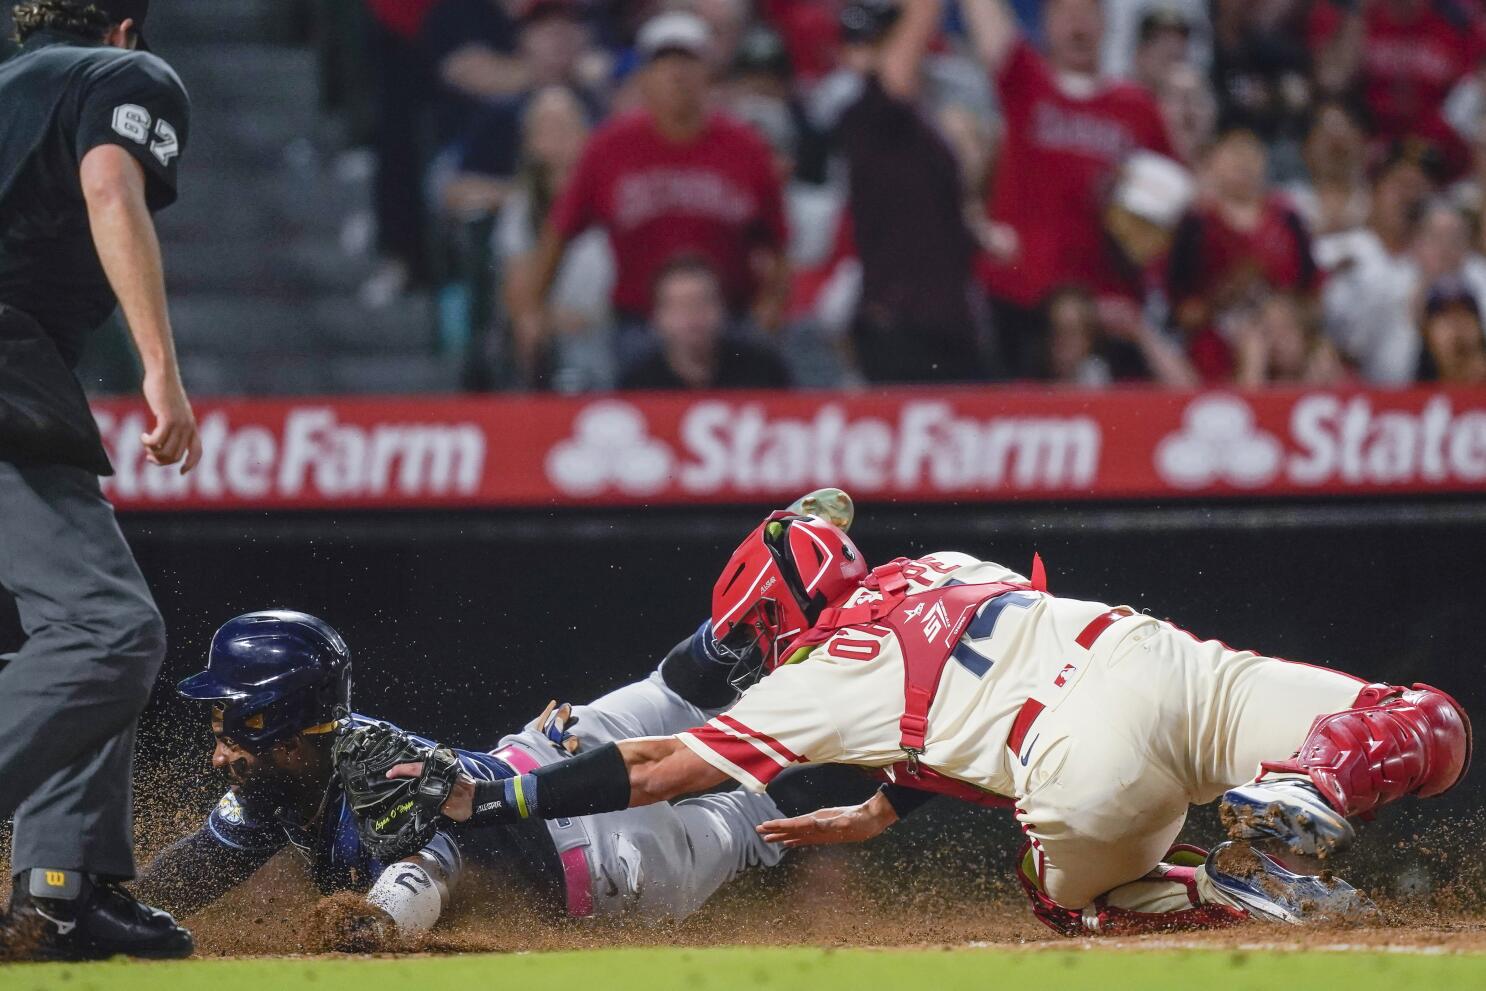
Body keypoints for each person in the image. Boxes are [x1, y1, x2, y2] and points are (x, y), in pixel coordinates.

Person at [401, 510, 1470, 937]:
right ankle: (1304, 791)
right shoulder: (945, 564)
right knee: (1419, 719)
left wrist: (498, 795)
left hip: (1081, 765)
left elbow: (647, 767)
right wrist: (882, 802)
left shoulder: (807, 682)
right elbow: (958, 680)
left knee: (1073, 902)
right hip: (1162, 661)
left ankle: (1232, 890)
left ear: (762, 617)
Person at [132, 610, 792, 945]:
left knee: (747, 819)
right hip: (542, 755)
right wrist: (106, 913)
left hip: (608, 861)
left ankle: (795, 619)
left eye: (236, 727)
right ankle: (769, 619)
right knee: (675, 687)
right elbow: (195, 868)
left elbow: (429, 867)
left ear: (285, 724)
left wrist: (377, 923)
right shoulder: (281, 779)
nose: (220, 755)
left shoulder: (376, 771)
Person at [0, 0, 199, 961]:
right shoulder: (119, 75)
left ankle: (61, 889)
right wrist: (159, 365)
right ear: (125, 27)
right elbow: (112, 187)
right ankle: (64, 884)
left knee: (82, 626)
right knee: (108, 631)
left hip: (21, 368)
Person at [508, 11, 789, 379]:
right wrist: (533, 308)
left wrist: (771, 307)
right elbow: (558, 233)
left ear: (709, 73)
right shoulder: (609, 148)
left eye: (688, 62)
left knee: (763, 373)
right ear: (643, 78)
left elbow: (778, 244)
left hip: (727, 319)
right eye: (663, 63)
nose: (676, 75)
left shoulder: (746, 147)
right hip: (639, 320)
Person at [964, 0, 1175, 378]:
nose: (1077, 25)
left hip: (1101, 312)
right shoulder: (1028, 81)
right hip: (1020, 299)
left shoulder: (1139, 108)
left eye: (1088, 14)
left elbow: (1165, 216)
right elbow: (987, 22)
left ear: (1106, 25)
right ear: (1045, 25)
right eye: (1065, 14)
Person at [832, 0, 989, 384]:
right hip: (900, 324)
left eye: (886, 39)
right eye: (872, 43)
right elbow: (896, 70)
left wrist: (977, 232)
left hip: (948, 322)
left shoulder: (921, 123)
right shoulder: (864, 113)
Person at [1166, 123, 1319, 381]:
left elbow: (1313, 294)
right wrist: (1225, 295)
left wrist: (1282, 315)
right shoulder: (1197, 223)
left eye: (1250, 155)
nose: (1244, 165)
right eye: (1234, 156)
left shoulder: (1287, 217)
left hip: (1288, 339)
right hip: (1216, 343)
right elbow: (1181, 312)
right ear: (1214, 164)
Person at [619, 256, 791, 391]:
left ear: (723, 307)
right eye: (679, 305)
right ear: (657, 316)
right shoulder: (638, 385)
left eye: (703, 301)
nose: (692, 315)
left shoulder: (763, 373)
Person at [1417, 277, 1486, 384]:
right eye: (1445, 316)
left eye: (1465, 313)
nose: (1457, 324)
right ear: (1426, 331)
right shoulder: (1404, 387)